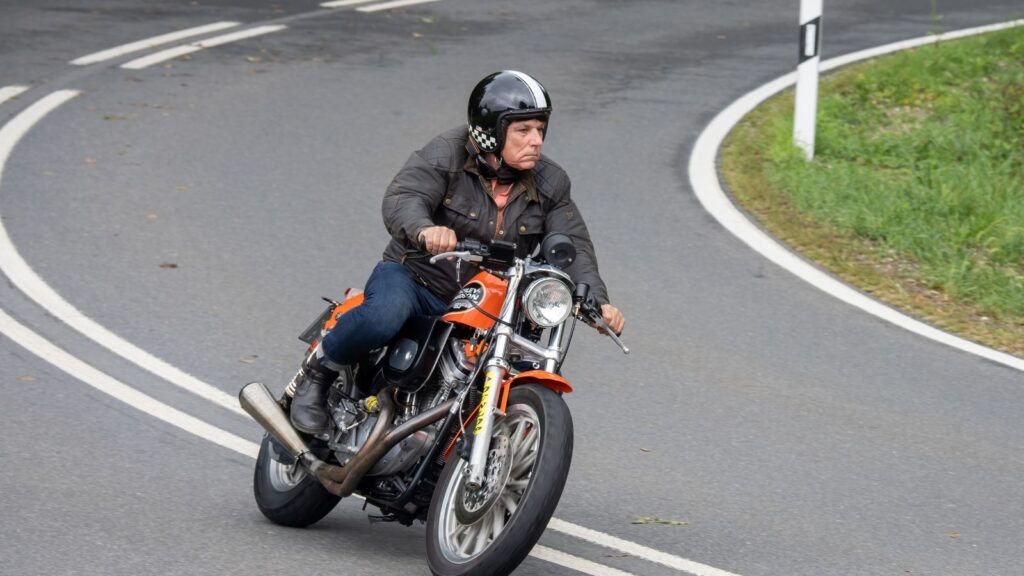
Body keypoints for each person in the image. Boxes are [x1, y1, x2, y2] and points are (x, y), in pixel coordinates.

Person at [290, 70, 625, 435]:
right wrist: (424, 229)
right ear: (491, 131)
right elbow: (405, 197)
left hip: (487, 301)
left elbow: (572, 244)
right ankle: (318, 374)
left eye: (540, 130)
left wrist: (597, 301)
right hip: (419, 279)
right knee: (383, 316)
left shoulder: (551, 182)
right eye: (523, 130)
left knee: (522, 352)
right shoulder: (445, 154)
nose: (536, 141)